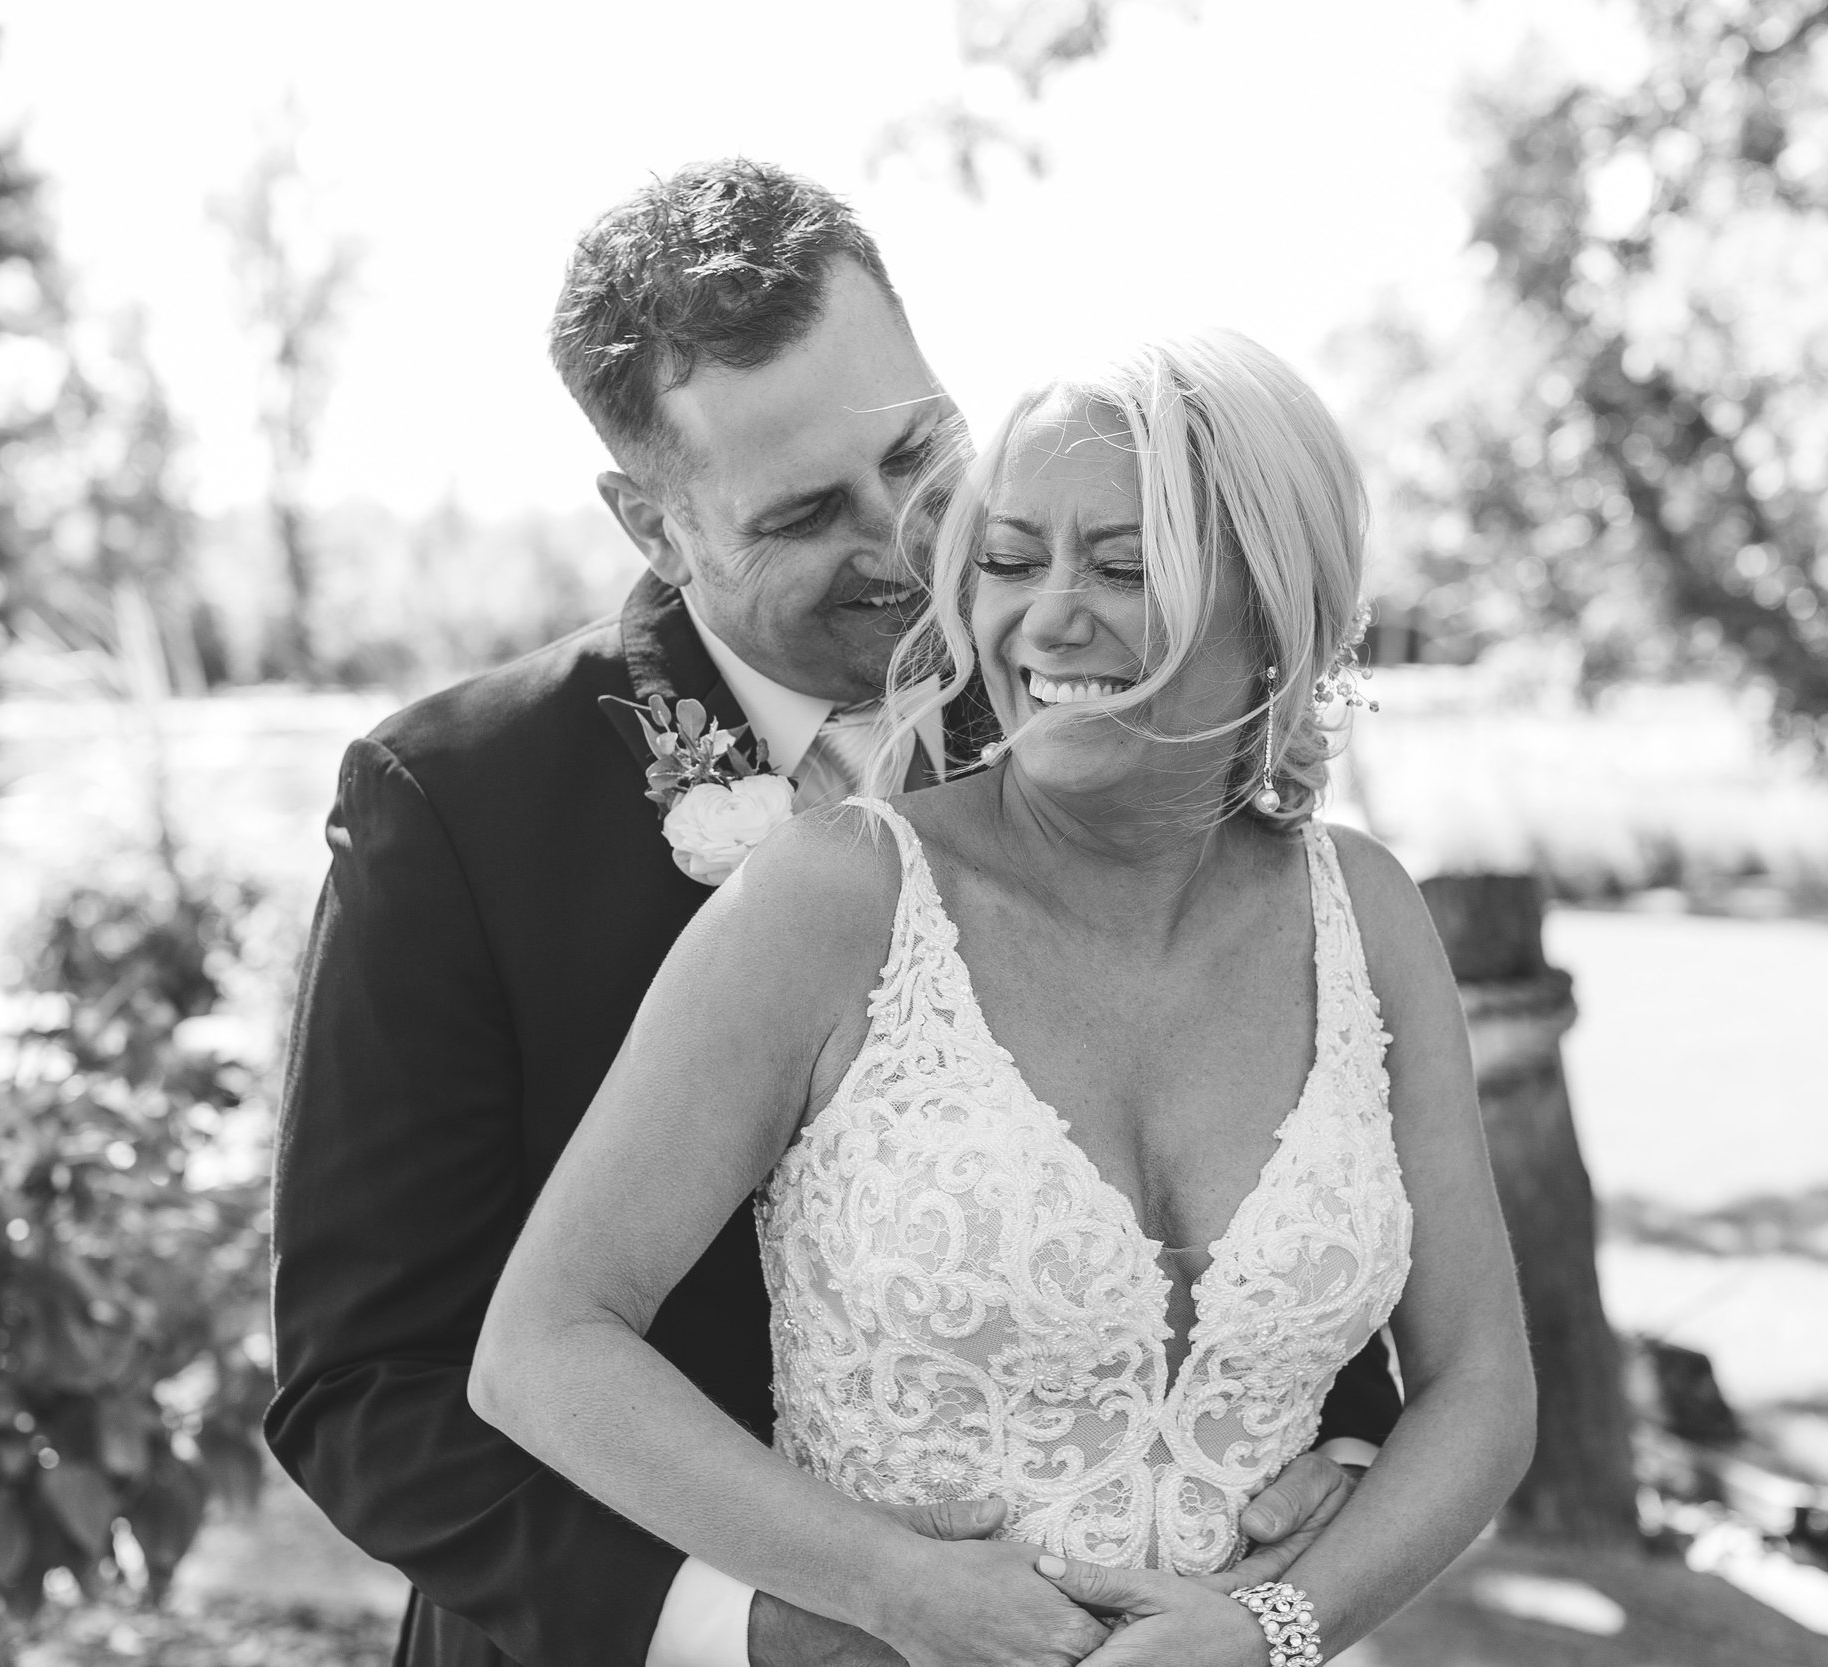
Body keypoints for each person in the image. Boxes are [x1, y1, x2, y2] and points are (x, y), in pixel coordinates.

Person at [265, 161, 1402, 1667]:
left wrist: (1332, 1461)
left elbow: (1287, 1112)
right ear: (653, 526)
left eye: (925, 451)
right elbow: (367, 1384)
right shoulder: (458, 804)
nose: (908, 539)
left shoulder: (1096, 708)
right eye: (805, 513)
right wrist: (761, 1627)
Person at [466, 329, 1537, 1666]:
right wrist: (889, 1589)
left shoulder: (1365, 912)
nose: (1049, 618)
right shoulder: (835, 903)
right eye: (1014, 561)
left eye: (1128, 565)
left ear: (1273, 604)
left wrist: (1275, 1627)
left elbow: (1481, 1386)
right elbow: (545, 1346)